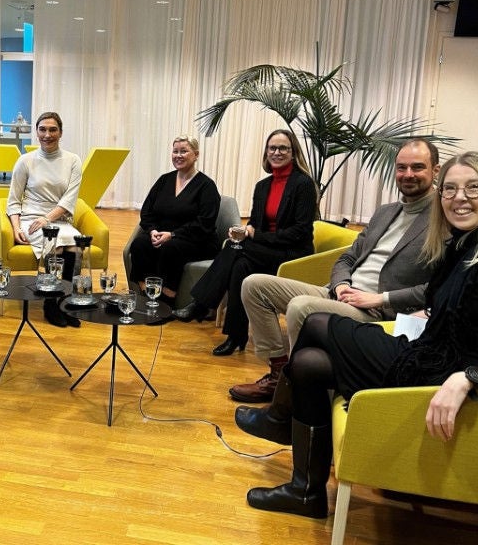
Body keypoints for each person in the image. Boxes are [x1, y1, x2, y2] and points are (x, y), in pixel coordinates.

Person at [241, 151, 478, 520]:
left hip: (443, 374)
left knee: (318, 323)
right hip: (428, 352)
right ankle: (305, 491)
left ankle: (281, 423)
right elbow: (466, 308)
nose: (459, 199)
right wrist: (434, 313)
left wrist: (467, 379)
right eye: (450, 190)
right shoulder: (466, 244)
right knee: (308, 362)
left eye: (473, 188)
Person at [231, 138, 439, 403]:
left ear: (435, 170)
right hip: (342, 293)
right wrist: (341, 284)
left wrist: (380, 298)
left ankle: (295, 394)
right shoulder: (386, 212)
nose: (408, 174)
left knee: (301, 307)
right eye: (401, 167)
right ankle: (279, 373)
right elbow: (347, 257)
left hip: (376, 310)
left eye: (417, 167)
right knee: (254, 285)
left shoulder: (443, 220)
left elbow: (437, 288)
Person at [174, 129, 317, 356]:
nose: (277, 152)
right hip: (263, 251)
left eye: (283, 148)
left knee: (236, 249)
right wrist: (243, 231)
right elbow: (255, 223)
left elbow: (299, 232)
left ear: (293, 152)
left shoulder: (303, 184)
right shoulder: (263, 186)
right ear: (266, 152)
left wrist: (255, 236)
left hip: (292, 254)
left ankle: (201, 304)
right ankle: (235, 336)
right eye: (272, 148)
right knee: (240, 265)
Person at [6, 111, 83, 328]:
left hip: (58, 218)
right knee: (55, 245)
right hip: (31, 219)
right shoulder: (25, 161)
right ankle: (51, 304)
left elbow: (69, 199)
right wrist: (16, 228)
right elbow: (13, 201)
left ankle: (66, 302)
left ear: (60, 133)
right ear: (36, 132)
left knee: (75, 248)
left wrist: (47, 219)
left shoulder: (73, 160)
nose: (47, 134)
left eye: (52, 130)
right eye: (42, 129)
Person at [128, 135, 221, 306]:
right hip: (162, 235)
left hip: (196, 239)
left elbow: (205, 223)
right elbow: (147, 212)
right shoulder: (164, 180)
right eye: (175, 151)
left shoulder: (207, 186)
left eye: (184, 151)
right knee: (140, 244)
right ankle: (147, 297)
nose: (178, 155)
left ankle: (166, 302)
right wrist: (152, 231)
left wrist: (173, 234)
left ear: (196, 154)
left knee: (170, 248)